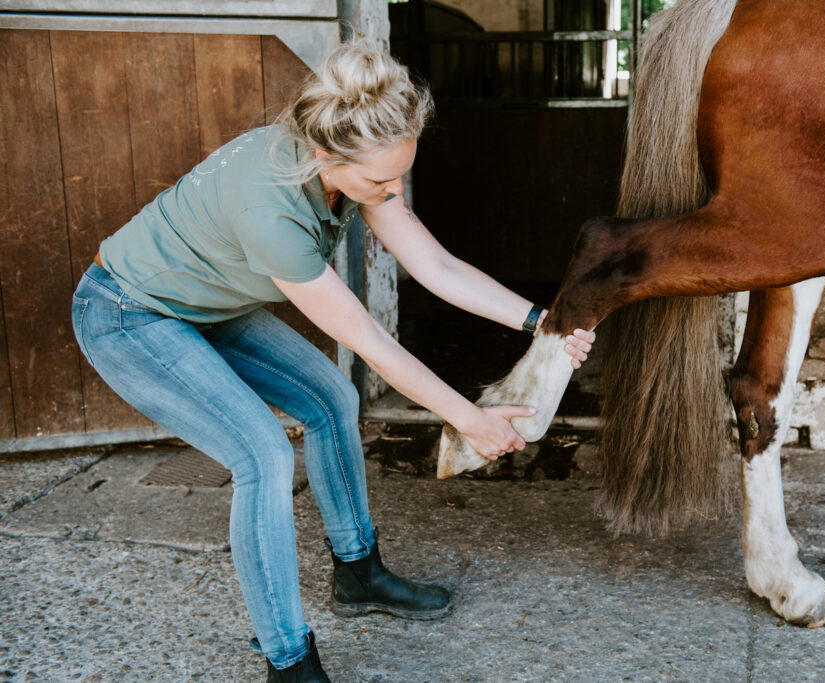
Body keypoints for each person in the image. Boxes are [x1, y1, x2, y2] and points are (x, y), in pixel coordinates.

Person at [70, 40, 595, 682]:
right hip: (129, 312)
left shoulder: (356, 160)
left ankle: (359, 574)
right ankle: (289, 663)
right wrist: (470, 420)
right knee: (261, 453)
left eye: (399, 174)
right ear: (325, 154)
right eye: (378, 181)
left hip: (203, 306)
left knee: (332, 401)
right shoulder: (272, 210)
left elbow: (436, 266)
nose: (390, 190)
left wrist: (545, 323)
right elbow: (371, 342)